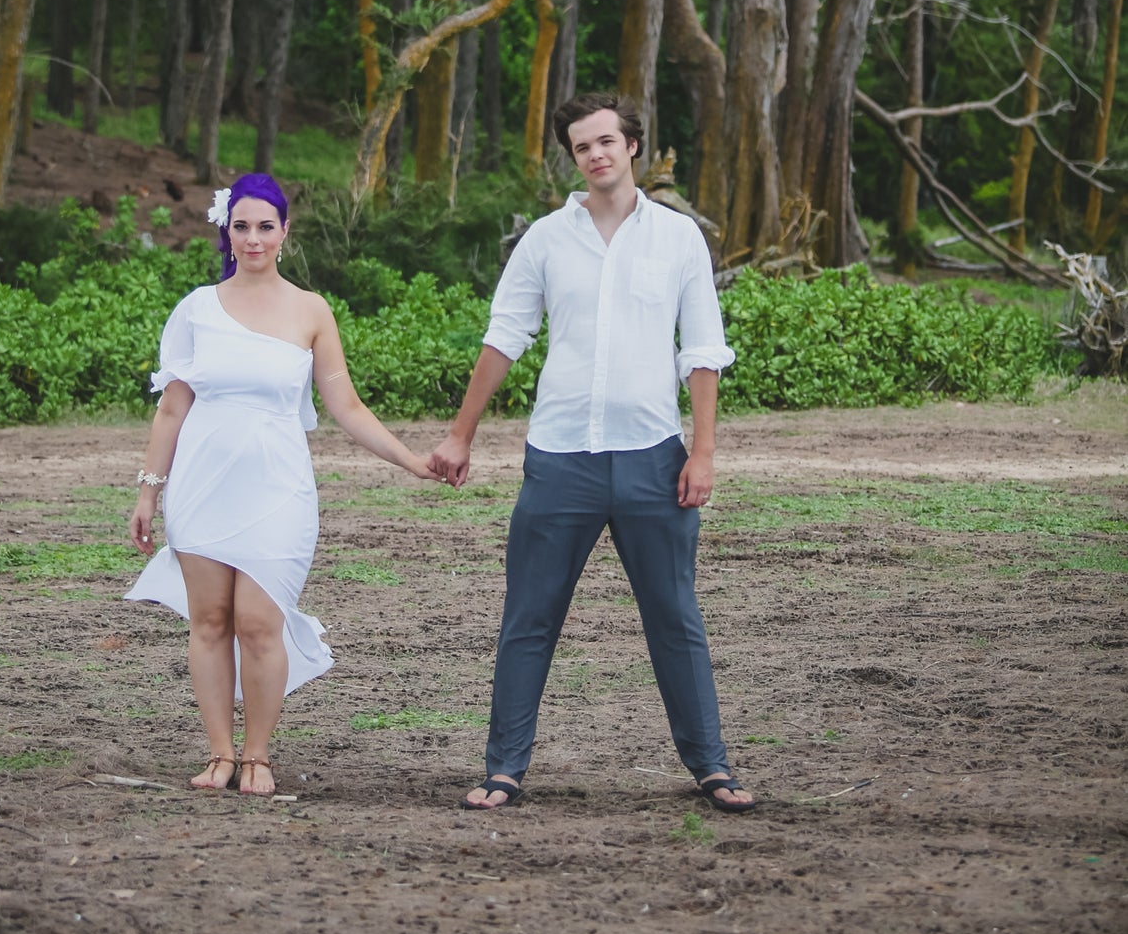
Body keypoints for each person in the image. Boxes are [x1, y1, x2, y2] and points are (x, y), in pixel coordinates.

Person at [429, 93, 754, 814]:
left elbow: (700, 351)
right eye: (582, 146)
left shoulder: (677, 239)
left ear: (632, 146)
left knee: (673, 616)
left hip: (652, 459)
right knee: (529, 618)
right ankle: (502, 769)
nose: (596, 154)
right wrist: (460, 434)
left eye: (607, 140)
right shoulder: (546, 240)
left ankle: (712, 767)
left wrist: (701, 453)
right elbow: (504, 336)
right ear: (572, 157)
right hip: (560, 460)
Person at [126, 171, 436, 795]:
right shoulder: (196, 309)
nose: (253, 238)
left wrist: (411, 460)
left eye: (265, 227)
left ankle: (259, 756)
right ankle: (219, 754)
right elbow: (171, 410)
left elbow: (347, 407)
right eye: (241, 227)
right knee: (209, 622)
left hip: (277, 490)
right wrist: (148, 491)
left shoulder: (311, 310)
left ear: (284, 233)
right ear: (227, 232)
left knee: (260, 624)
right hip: (203, 486)